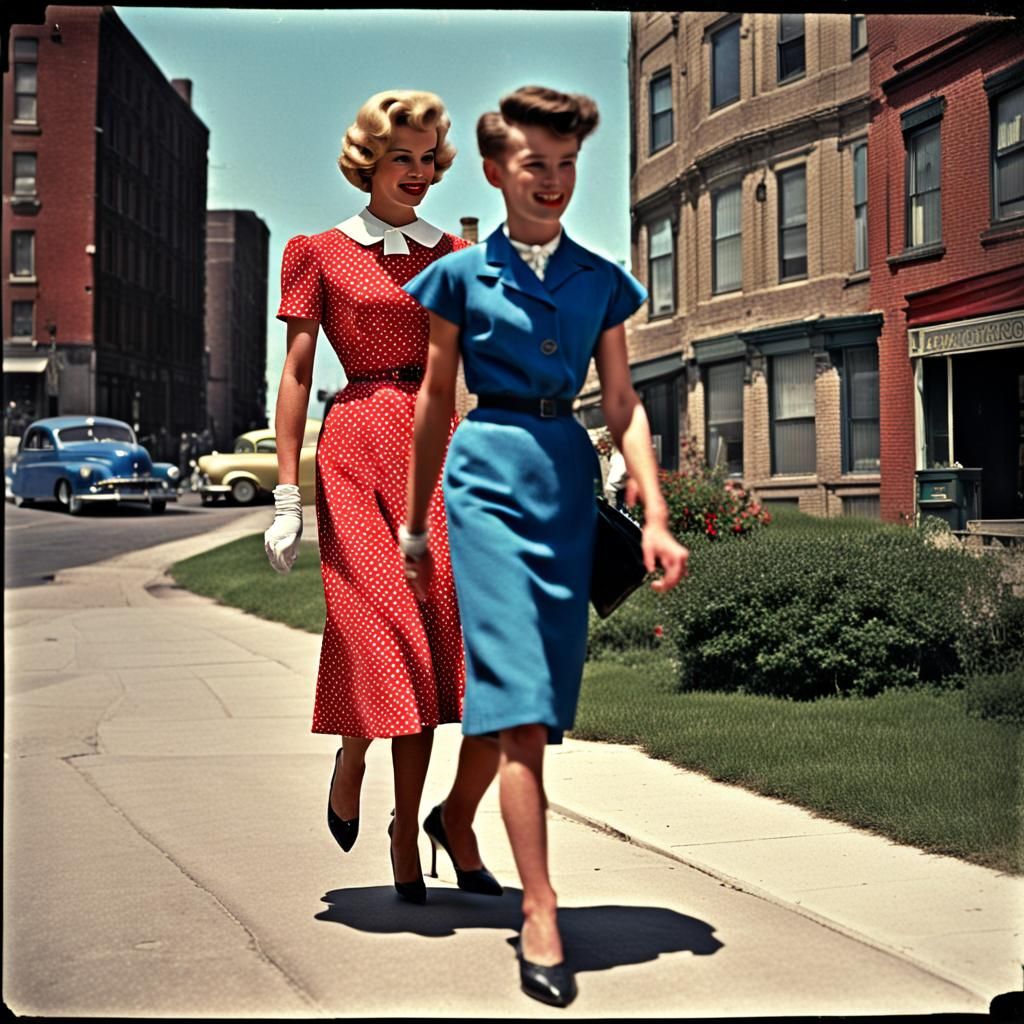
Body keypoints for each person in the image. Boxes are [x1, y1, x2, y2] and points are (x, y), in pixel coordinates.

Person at [401, 85, 689, 1008]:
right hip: (485, 479)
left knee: (539, 703)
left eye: (568, 165)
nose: (555, 181)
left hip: (565, 474)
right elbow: (433, 405)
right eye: (536, 165)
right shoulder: (455, 277)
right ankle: (540, 909)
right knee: (519, 707)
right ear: (495, 171)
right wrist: (413, 523)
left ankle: (454, 817)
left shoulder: (602, 277)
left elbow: (620, 402)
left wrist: (652, 507)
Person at [264, 89, 501, 906]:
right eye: (402, 157)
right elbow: (296, 371)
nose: (419, 173)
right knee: (379, 633)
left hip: (430, 449)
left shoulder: (455, 256)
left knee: (426, 647)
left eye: (429, 159)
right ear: (369, 160)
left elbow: (463, 374)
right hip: (355, 439)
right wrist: (286, 496)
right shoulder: (317, 251)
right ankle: (353, 756)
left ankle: (406, 832)